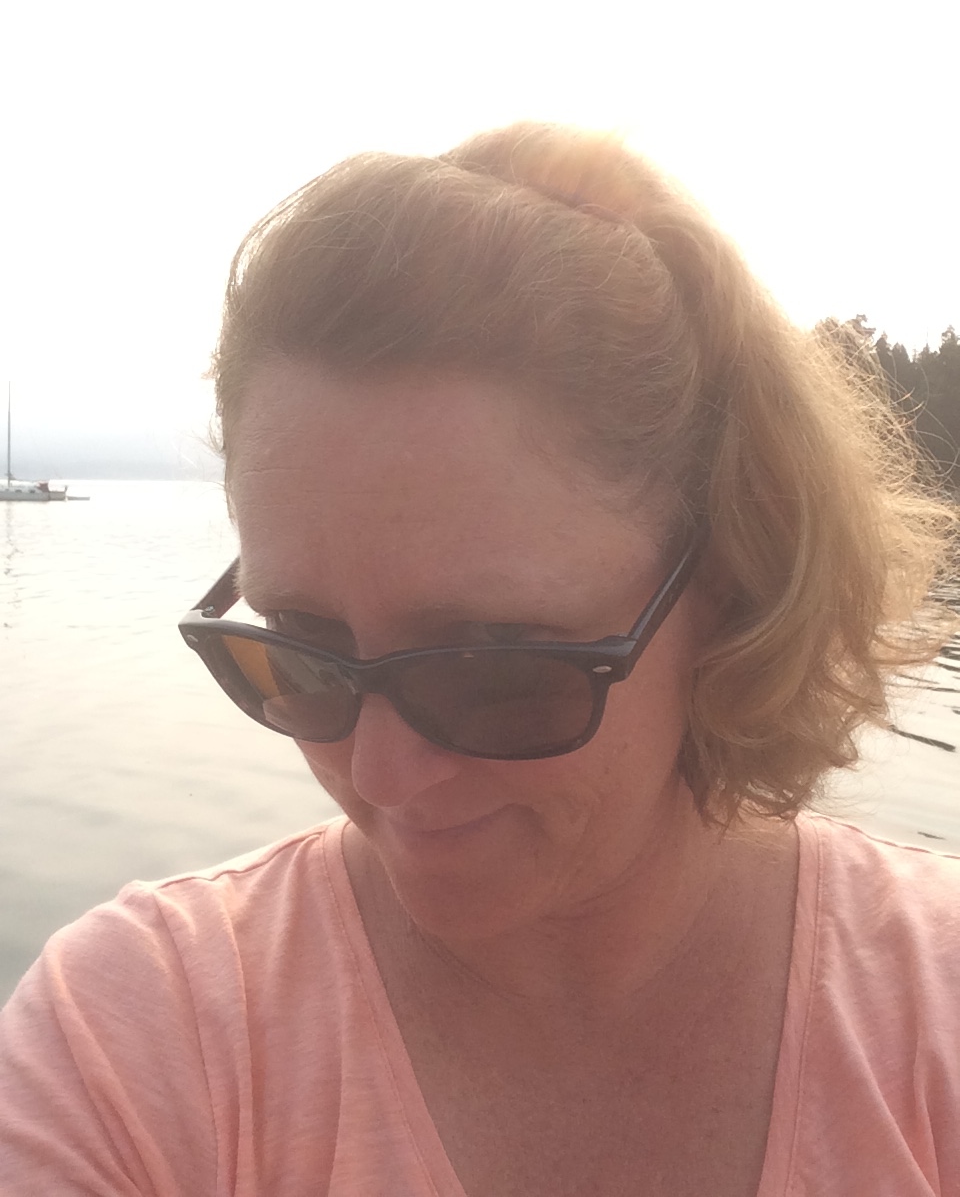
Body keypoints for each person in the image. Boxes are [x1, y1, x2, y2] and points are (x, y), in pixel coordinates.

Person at [1, 123, 958, 1196]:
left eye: (493, 669)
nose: (380, 777)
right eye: (306, 650)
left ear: (732, 584)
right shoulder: (135, 1041)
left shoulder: (934, 1016)